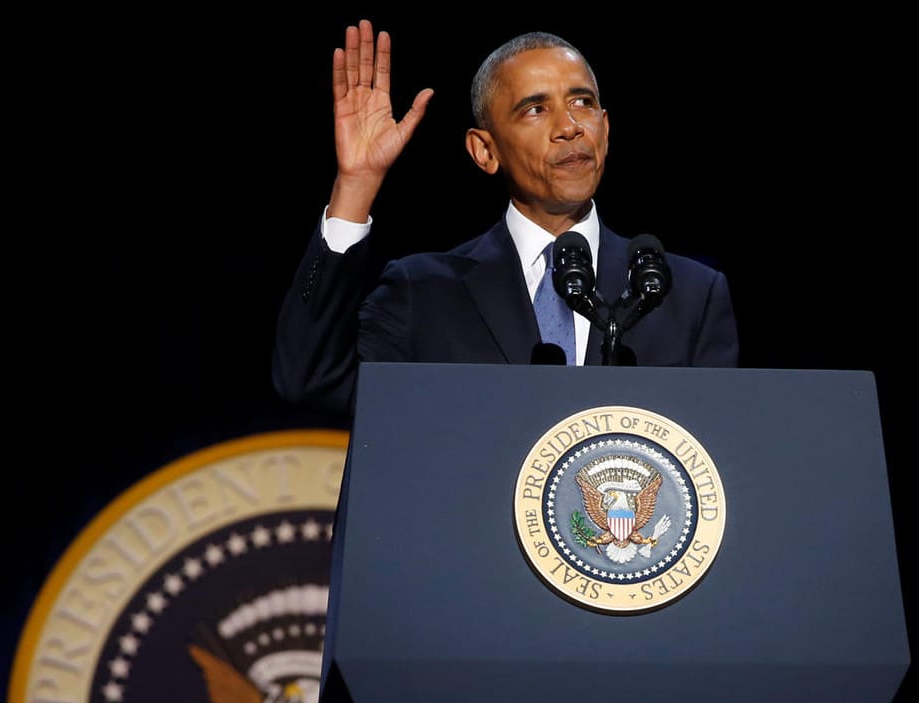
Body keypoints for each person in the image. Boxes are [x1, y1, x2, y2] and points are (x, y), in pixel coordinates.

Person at [272, 19, 740, 417]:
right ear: (485, 151)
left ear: (606, 128)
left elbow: (719, 455)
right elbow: (307, 379)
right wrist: (357, 183)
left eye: (582, 103)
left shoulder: (687, 295)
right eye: (536, 109)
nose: (568, 127)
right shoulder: (425, 292)